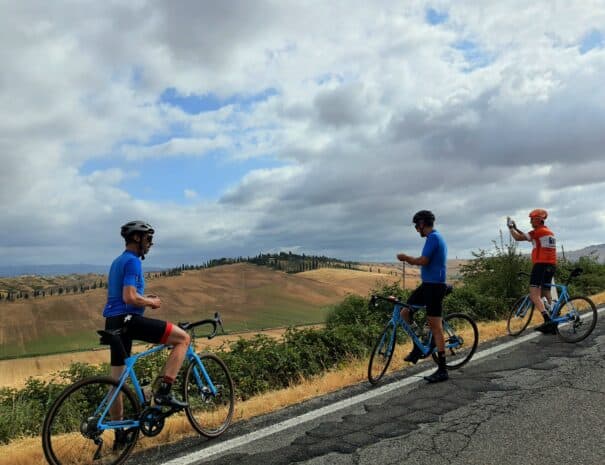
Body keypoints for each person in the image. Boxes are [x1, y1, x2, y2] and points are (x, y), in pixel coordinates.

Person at [103, 221, 190, 447]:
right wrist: (151, 302)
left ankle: (119, 434)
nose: (150, 244)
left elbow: (125, 296)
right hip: (129, 321)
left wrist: (143, 298)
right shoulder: (132, 262)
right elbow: (129, 297)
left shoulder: (117, 261)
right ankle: (163, 391)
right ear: (137, 239)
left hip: (113, 322)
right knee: (183, 339)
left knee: (117, 380)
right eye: (148, 239)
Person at [396, 210, 449, 383]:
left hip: (435, 287)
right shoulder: (432, 238)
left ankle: (442, 369)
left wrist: (406, 258)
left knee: (436, 327)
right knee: (404, 312)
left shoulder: (434, 237)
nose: (416, 229)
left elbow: (424, 261)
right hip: (427, 285)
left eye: (416, 225)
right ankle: (418, 346)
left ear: (422, 223)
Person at [507, 209, 557, 334]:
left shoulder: (538, 232)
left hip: (540, 265)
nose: (530, 222)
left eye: (531, 219)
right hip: (551, 265)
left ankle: (547, 320)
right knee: (546, 292)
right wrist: (517, 228)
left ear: (538, 219)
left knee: (534, 294)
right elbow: (528, 237)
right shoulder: (548, 232)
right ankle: (552, 318)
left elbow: (518, 238)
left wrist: (510, 228)